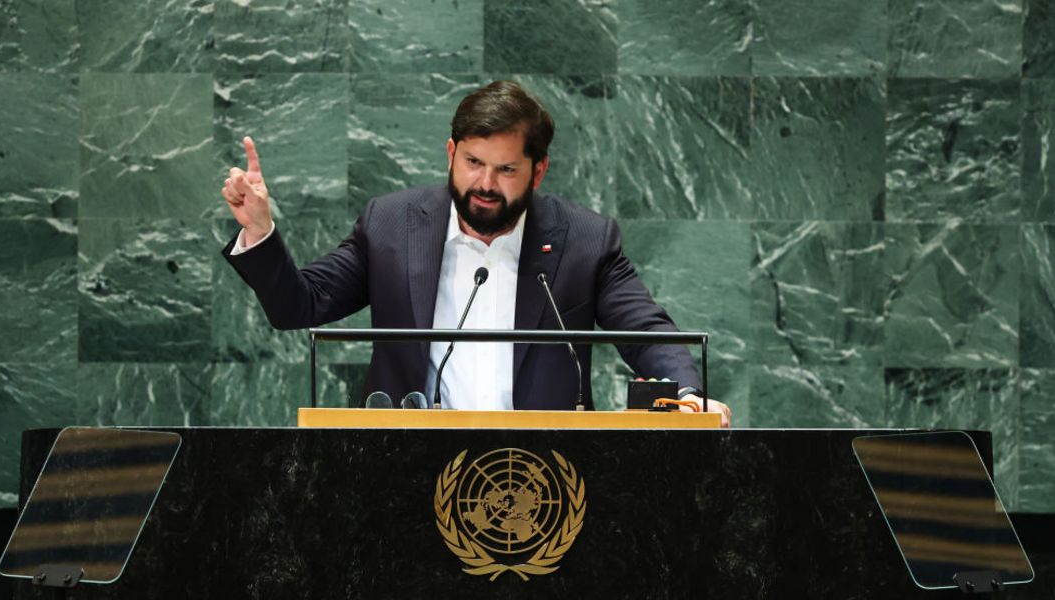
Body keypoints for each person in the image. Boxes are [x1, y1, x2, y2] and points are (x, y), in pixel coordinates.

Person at [220, 80, 731, 427]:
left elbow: (646, 332)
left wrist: (685, 395)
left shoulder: (585, 239)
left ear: (538, 171)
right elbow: (299, 305)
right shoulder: (392, 225)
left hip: (545, 471)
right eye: (472, 163)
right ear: (450, 154)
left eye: (506, 170)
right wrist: (262, 230)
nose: (485, 184)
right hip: (405, 462)